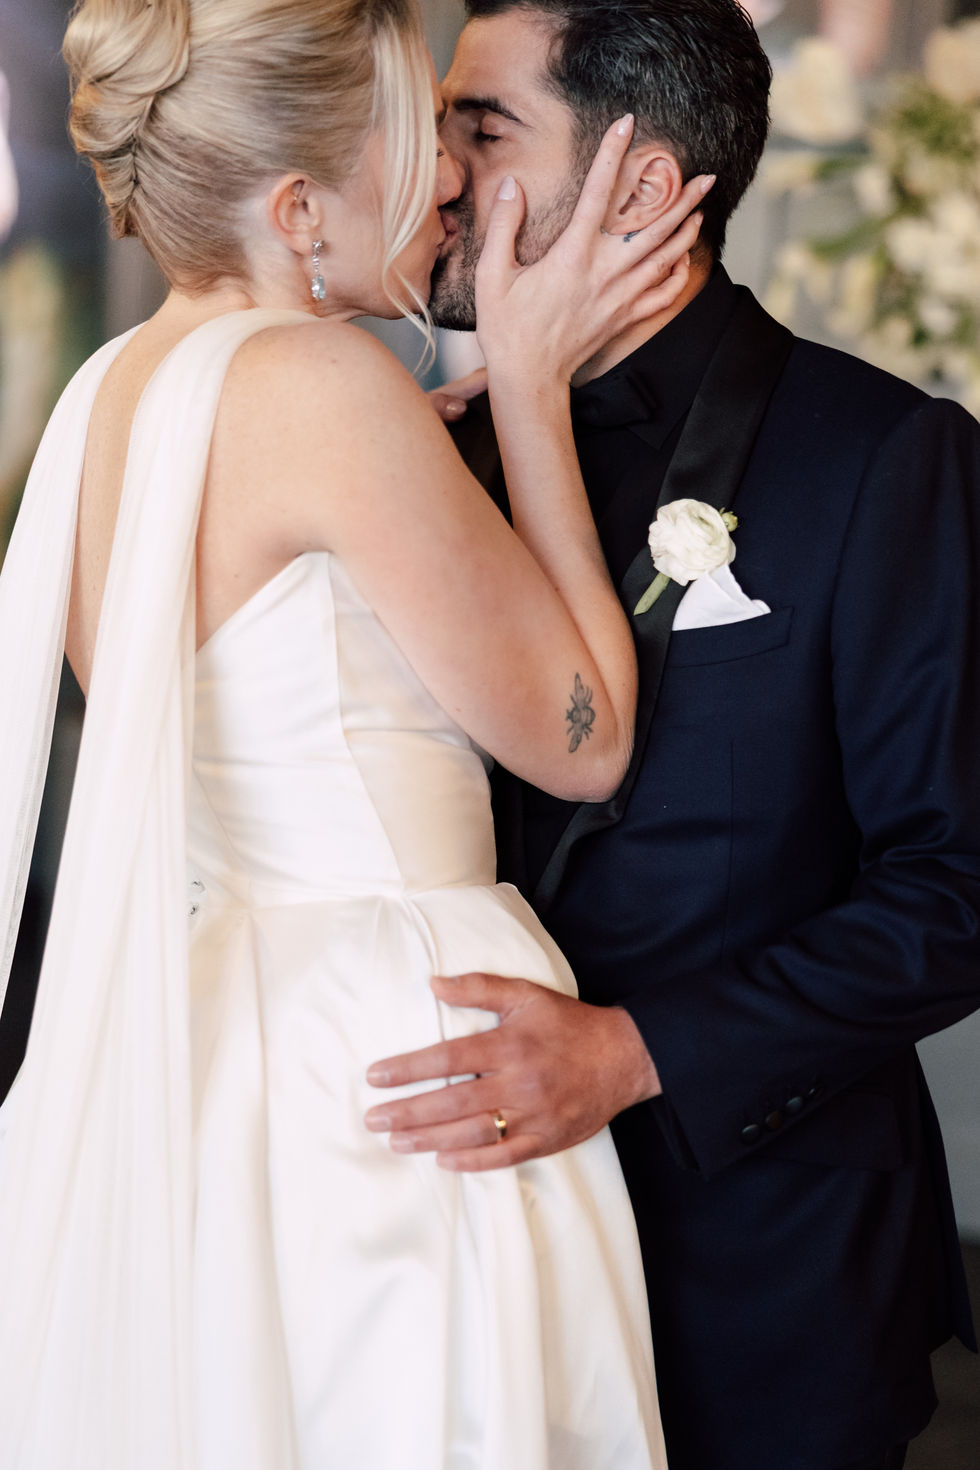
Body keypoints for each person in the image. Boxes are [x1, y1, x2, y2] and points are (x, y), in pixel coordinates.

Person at [0, 0, 711, 1464]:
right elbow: (580, 737)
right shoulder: (325, 386)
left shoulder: (103, 393)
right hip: (398, 1043)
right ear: (298, 205)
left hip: (225, 1030)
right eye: (415, 132)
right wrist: (528, 390)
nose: (450, 179)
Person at [365, 4, 980, 1469]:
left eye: (482, 129)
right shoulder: (413, 457)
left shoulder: (887, 460)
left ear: (643, 188)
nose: (437, 176)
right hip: (451, 1261)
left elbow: (957, 889)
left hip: (766, 1272)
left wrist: (637, 1052)